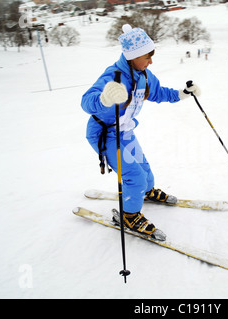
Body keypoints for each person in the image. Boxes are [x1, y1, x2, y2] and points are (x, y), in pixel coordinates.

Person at [81, 24, 201, 236]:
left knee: (143, 167)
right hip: (104, 134)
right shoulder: (114, 76)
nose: (151, 61)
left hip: (124, 130)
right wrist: (104, 99)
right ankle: (129, 216)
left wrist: (182, 93)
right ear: (132, 56)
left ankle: (145, 192)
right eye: (147, 56)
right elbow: (86, 103)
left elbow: (159, 93)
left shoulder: (143, 74)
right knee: (133, 175)